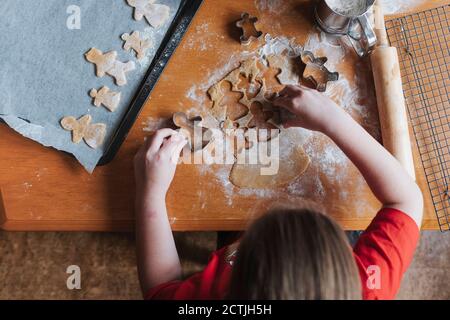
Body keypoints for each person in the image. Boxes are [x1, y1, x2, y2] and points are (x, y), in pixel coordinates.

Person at [133, 85, 423, 300]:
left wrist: (151, 193)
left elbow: (161, 289)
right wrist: (335, 120)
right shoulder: (370, 286)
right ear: (346, 271)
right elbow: (406, 199)